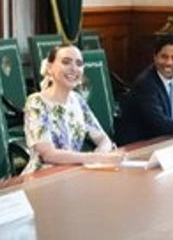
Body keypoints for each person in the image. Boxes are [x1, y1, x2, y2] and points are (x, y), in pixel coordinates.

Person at [23, 43, 122, 171]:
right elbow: (48, 154)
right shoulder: (36, 102)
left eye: (79, 64)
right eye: (66, 62)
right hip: (43, 176)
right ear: (50, 68)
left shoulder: (78, 100)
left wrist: (100, 157)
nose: (74, 68)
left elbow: (104, 140)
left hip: (72, 173)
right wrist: (93, 158)